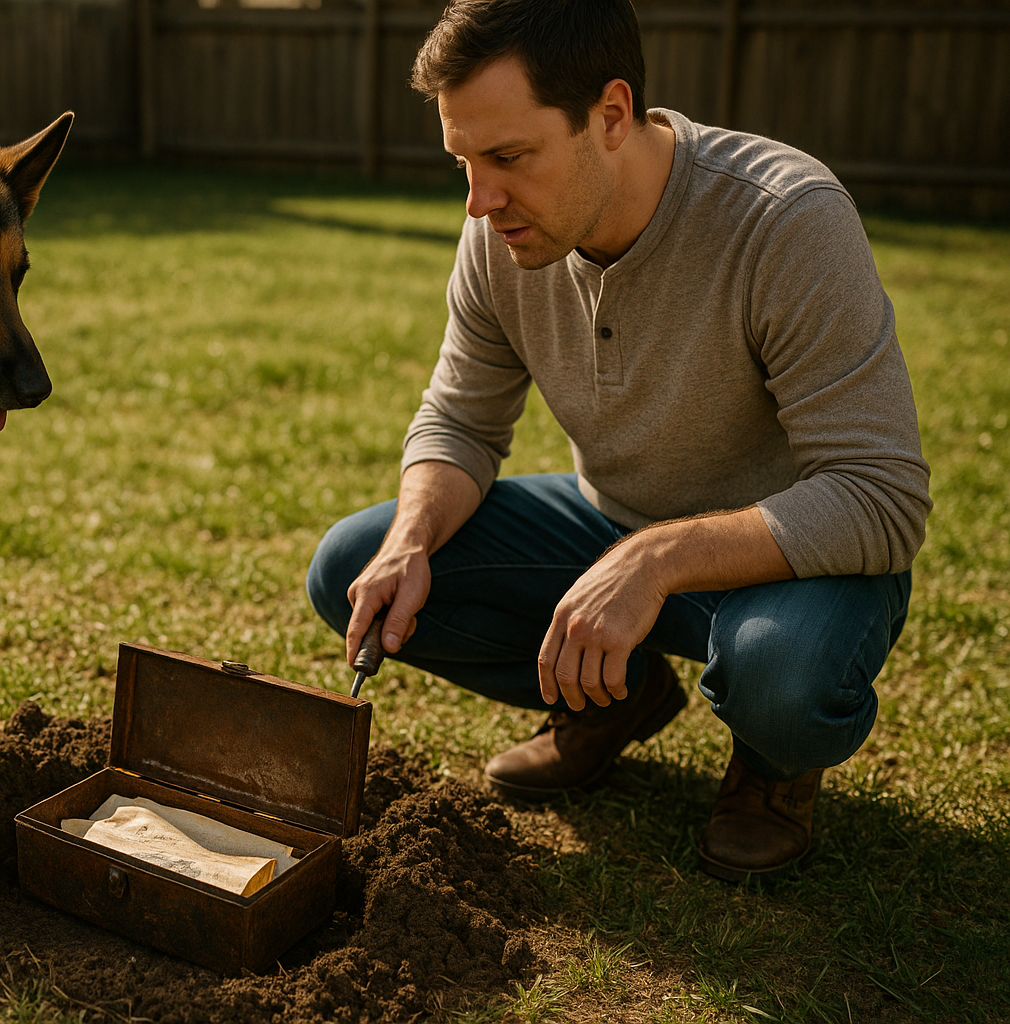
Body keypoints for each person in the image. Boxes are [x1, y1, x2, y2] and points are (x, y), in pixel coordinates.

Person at [306, 0, 930, 882]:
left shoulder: (786, 218)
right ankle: (614, 697)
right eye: (465, 163)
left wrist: (653, 561)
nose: (481, 200)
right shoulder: (500, 229)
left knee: (780, 683)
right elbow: (460, 419)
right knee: (351, 568)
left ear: (609, 115)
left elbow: (882, 494)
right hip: (607, 521)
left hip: (795, 561)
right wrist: (411, 542)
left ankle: (771, 767)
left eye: (509, 158)